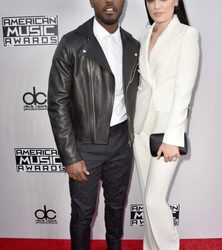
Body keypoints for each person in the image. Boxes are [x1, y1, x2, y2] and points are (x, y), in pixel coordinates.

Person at [47, 0, 139, 249]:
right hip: (84, 146)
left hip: (122, 142)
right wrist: (70, 156)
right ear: (91, 1)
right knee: (82, 214)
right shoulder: (72, 43)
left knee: (117, 209)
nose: (110, 2)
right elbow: (57, 103)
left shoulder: (133, 45)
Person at [133, 0, 200, 249]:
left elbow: (184, 90)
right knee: (147, 202)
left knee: (153, 201)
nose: (157, 5)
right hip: (141, 129)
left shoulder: (187, 35)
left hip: (166, 130)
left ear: (176, 1)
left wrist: (174, 137)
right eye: (151, 0)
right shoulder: (144, 34)